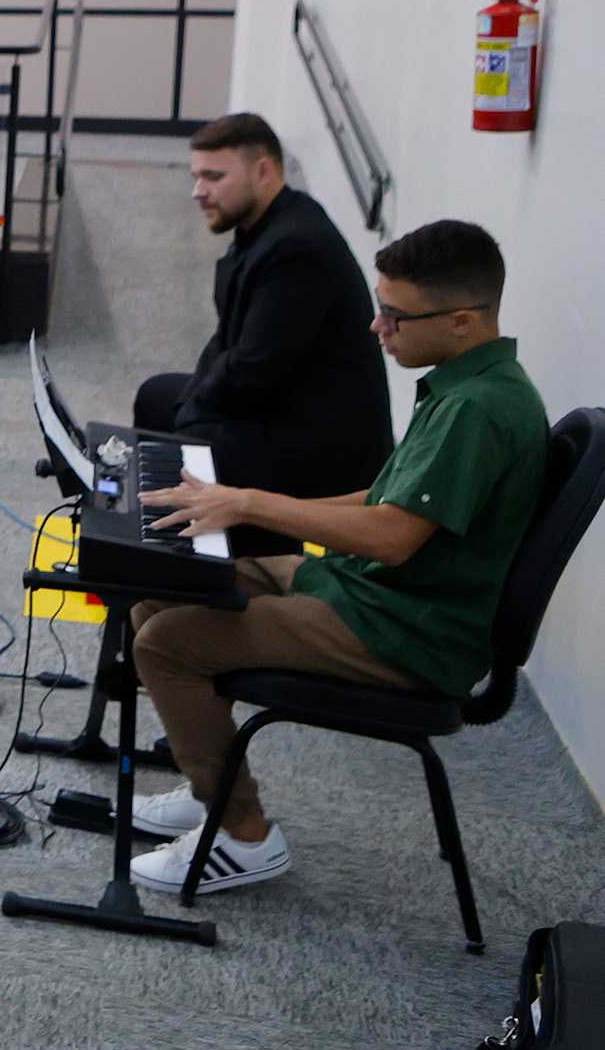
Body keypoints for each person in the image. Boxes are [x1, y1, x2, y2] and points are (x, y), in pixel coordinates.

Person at [129, 219, 549, 895]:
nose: (376, 327)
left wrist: (250, 504)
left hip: (404, 631)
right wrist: (241, 502)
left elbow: (390, 536)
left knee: (167, 644)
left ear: (462, 321)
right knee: (167, 585)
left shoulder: (479, 408)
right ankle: (212, 781)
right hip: (373, 593)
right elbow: (388, 497)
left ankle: (243, 834)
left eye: (394, 315)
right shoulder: (468, 383)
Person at [135, 112, 394, 552]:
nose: (199, 191)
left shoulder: (297, 247)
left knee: (189, 440)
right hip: (285, 408)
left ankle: (195, 565)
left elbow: (253, 369)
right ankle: (159, 543)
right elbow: (227, 342)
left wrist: (191, 417)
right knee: (158, 397)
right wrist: (189, 405)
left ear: (264, 171)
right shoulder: (264, 228)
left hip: (327, 450)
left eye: (214, 177)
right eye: (197, 176)